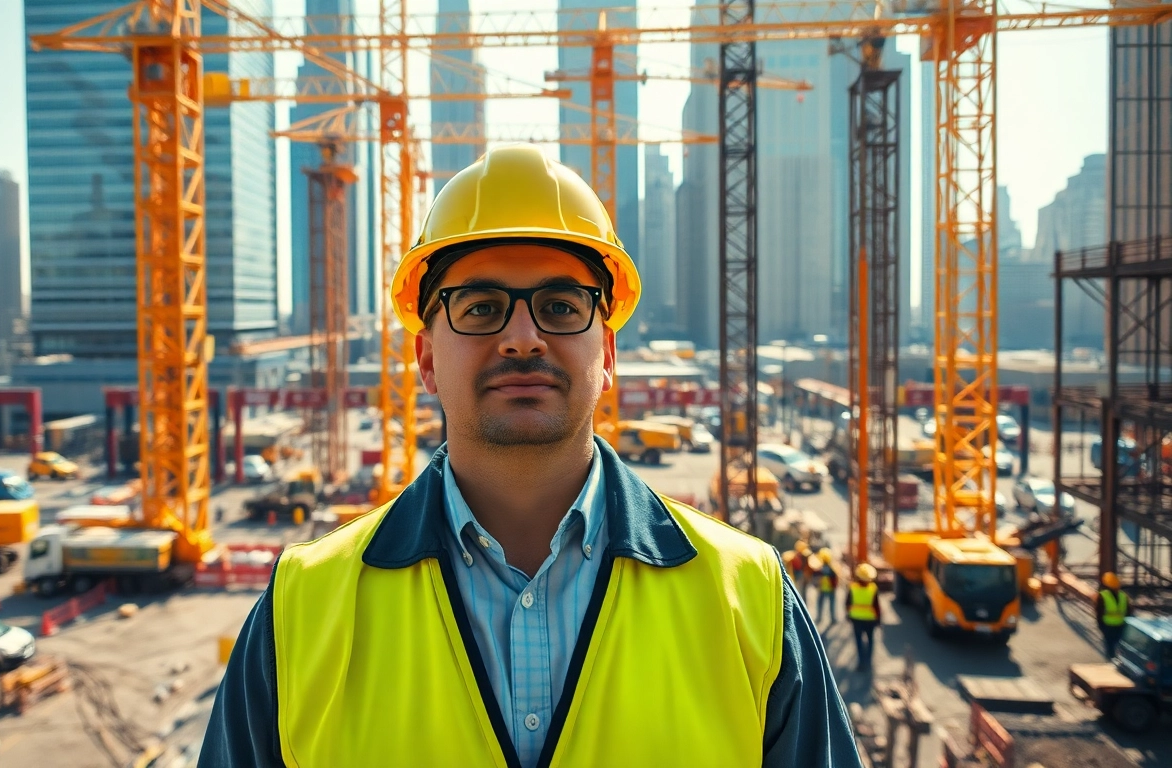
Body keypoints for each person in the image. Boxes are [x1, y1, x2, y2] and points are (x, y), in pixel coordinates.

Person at [198, 144, 861, 767]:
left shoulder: (752, 601)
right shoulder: (301, 609)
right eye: (481, 307)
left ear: (607, 354)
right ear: (426, 359)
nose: (522, 338)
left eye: (560, 305)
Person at [845, 563, 881, 670]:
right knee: (870, 640)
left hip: (856, 619)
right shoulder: (873, 588)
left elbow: (847, 603)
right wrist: (878, 620)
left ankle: (861, 663)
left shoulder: (852, 587)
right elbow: (877, 606)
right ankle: (868, 662)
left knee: (859, 641)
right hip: (870, 619)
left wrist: (849, 615)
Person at [1096, 571, 1130, 660]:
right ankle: (1119, 661)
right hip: (1120, 625)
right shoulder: (1123, 596)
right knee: (1119, 646)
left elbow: (1099, 612)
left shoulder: (1102, 596)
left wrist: (1100, 625)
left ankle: (1111, 662)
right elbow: (1129, 612)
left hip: (1108, 626)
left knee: (1110, 648)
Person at [813, 549, 838, 624]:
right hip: (830, 589)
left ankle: (819, 618)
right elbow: (835, 578)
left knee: (820, 604)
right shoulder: (832, 569)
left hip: (822, 588)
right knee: (831, 604)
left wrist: (816, 585)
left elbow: (815, 578)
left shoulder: (819, 569)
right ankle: (833, 618)